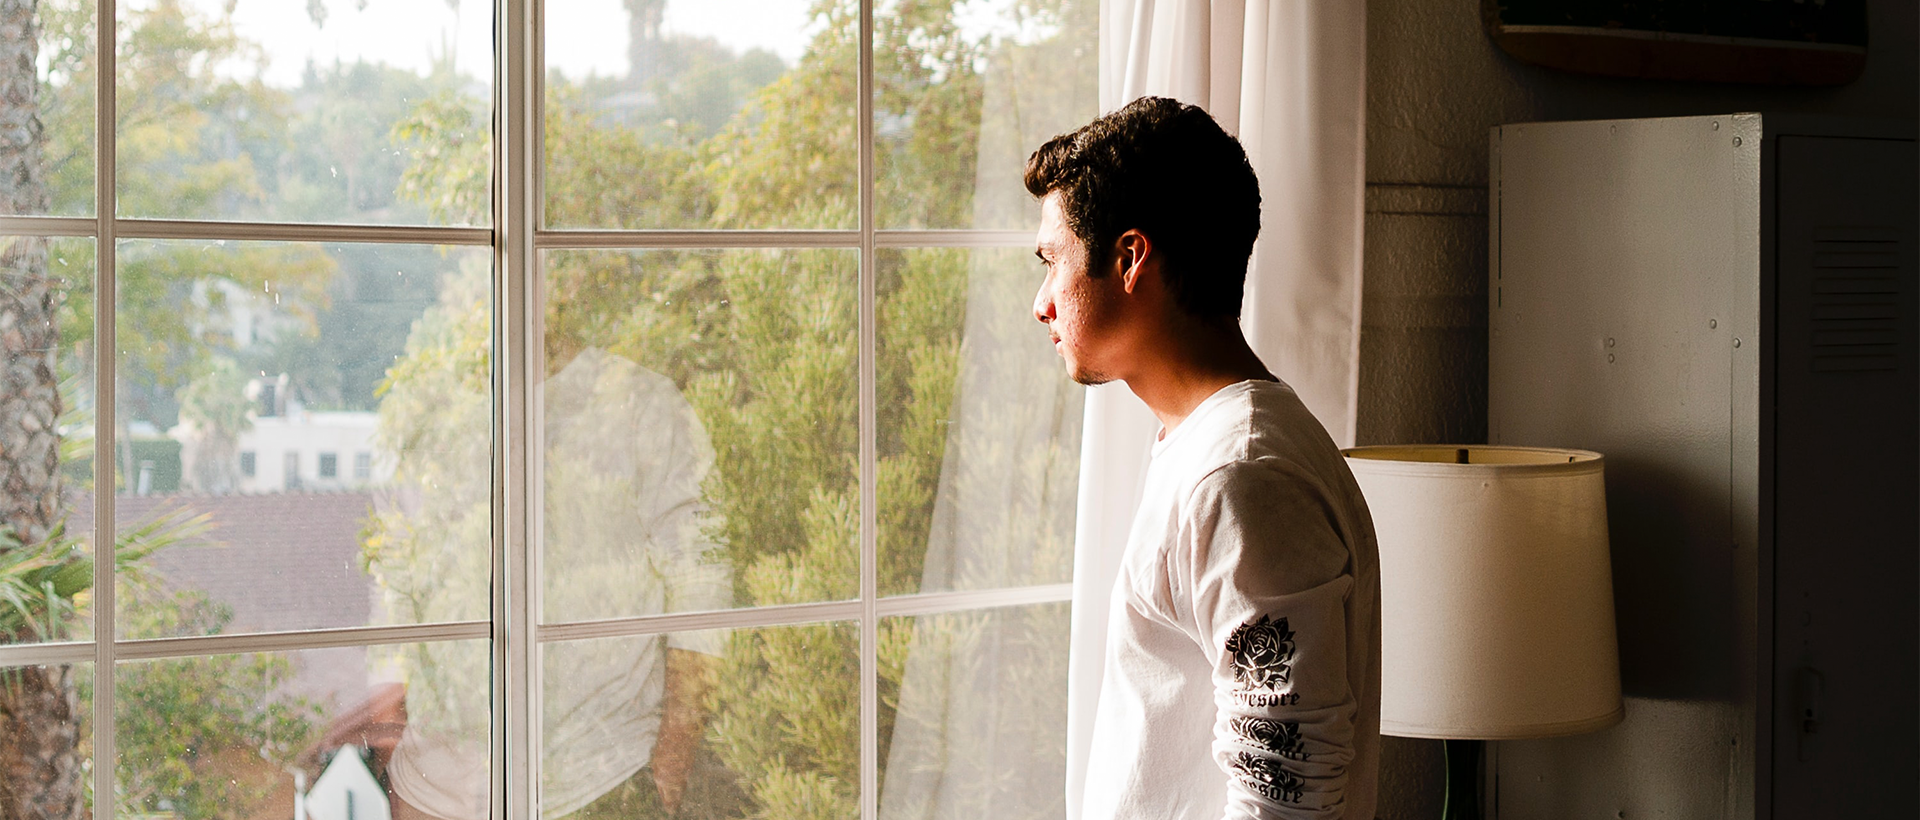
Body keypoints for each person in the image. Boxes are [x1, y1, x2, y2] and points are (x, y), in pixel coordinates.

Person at [1028, 96, 1380, 819]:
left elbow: (1286, 799)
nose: (1042, 302)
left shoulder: (1242, 477)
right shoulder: (1218, 449)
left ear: (1129, 258)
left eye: (1052, 261)